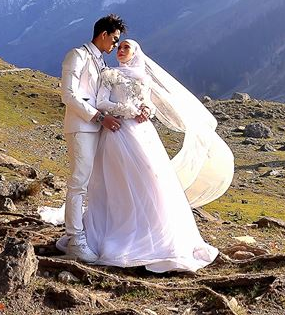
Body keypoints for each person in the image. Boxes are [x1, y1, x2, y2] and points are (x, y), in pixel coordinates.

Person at [81, 39, 233, 272]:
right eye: (119, 48)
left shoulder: (144, 77)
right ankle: (120, 228)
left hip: (142, 133)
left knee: (151, 179)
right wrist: (129, 111)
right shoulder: (109, 75)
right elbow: (102, 102)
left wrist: (146, 110)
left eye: (126, 48)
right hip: (117, 133)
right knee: (118, 181)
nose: (120, 51)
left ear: (134, 53)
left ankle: (153, 229)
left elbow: (148, 103)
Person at [57, 14, 126, 263]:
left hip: (97, 129)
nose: (116, 46)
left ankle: (87, 232)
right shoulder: (77, 55)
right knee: (79, 182)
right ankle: (75, 239)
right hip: (81, 127)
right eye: (115, 39)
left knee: (93, 183)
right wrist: (98, 118)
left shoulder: (101, 62)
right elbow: (68, 95)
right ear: (103, 34)